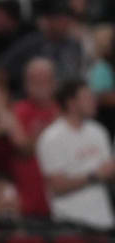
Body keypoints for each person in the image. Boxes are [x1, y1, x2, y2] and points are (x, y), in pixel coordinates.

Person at [36, 80, 115, 230]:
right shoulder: (51, 137)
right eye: (87, 98)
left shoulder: (99, 131)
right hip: (71, 224)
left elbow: (108, 173)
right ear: (71, 103)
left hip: (104, 221)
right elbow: (56, 186)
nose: (94, 102)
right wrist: (95, 175)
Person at [12, 57, 60, 219]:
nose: (40, 84)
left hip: (62, 199)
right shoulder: (18, 111)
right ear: (26, 83)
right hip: (29, 198)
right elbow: (24, 148)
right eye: (35, 79)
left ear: (54, 81)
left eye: (45, 79)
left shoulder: (64, 110)